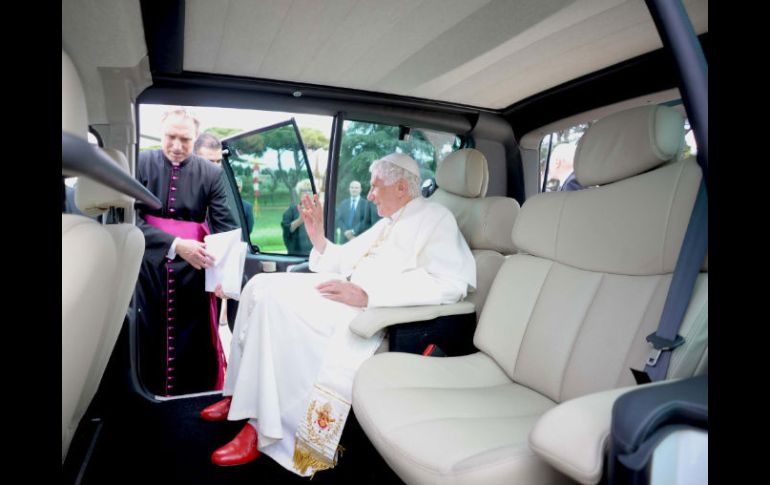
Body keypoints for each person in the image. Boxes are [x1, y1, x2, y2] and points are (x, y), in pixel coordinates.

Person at [198, 153, 476, 476]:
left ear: (401, 187)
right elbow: (344, 259)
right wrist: (318, 237)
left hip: (373, 314)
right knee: (259, 286)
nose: (370, 195)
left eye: (376, 187)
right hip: (347, 294)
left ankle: (264, 427)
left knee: (275, 305)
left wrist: (370, 295)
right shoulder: (389, 222)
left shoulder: (436, 219)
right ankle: (241, 396)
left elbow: (450, 283)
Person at [135, 107, 238, 397]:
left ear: (194, 138)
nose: (177, 146)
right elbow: (128, 219)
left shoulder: (211, 173)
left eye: (186, 139)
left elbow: (224, 228)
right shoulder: (140, 162)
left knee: (193, 342)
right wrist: (176, 245)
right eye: (171, 137)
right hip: (149, 268)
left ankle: (190, 404)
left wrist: (224, 278)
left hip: (194, 274)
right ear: (161, 132)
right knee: (149, 338)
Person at [194, 133, 254, 235]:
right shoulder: (178, 190)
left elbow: (227, 226)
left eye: (218, 161)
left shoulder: (216, 191)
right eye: (210, 161)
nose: (216, 167)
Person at [281, 179, 314, 255]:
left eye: (310, 191)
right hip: (296, 257)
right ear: (299, 194)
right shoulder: (290, 212)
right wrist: (300, 220)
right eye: (304, 191)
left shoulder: (319, 211)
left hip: (316, 257)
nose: (307, 194)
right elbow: (287, 230)